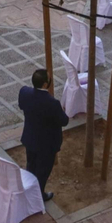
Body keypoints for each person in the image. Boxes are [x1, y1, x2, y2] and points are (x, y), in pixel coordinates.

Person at [18, 68, 68, 201]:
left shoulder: (24, 92)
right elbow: (64, 121)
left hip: (30, 139)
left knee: (31, 165)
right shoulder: (53, 103)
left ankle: (29, 189)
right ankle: (38, 195)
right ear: (45, 84)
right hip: (47, 145)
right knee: (43, 171)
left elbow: (21, 105)